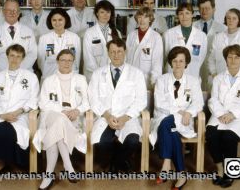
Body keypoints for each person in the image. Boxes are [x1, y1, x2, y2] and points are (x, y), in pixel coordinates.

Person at [0, 44, 39, 172]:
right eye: (12, 55)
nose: (14, 59)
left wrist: (18, 111)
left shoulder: (31, 78)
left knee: (13, 132)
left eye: (18, 56)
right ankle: (0, 162)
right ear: (7, 56)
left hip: (19, 115)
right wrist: (2, 115)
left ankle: (14, 162)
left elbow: (34, 100)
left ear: (23, 59)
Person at [33, 49, 89, 189]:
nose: (66, 63)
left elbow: (87, 102)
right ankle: (68, 166)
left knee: (56, 127)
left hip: (73, 118)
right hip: (52, 115)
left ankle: (49, 175)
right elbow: (43, 103)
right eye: (63, 60)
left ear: (73, 62)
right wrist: (62, 111)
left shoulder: (81, 79)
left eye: (69, 60)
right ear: (57, 61)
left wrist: (77, 110)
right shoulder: (48, 80)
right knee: (58, 120)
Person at [149, 46, 203, 190]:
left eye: (181, 61)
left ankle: (166, 165)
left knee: (169, 126)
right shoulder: (162, 80)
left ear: (186, 63)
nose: (178, 64)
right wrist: (180, 112)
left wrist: (189, 112)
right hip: (164, 116)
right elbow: (160, 103)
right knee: (168, 124)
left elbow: (198, 102)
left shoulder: (193, 81)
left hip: (184, 121)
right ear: (170, 63)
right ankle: (181, 173)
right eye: (175, 61)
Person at [89, 39, 147, 172]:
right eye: (113, 52)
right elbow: (93, 99)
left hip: (127, 117)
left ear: (125, 52)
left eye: (119, 51)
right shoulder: (98, 74)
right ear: (108, 53)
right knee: (103, 142)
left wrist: (125, 117)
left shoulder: (136, 73)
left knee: (133, 141)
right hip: (106, 117)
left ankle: (117, 161)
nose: (116, 55)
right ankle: (118, 160)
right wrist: (108, 116)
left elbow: (141, 100)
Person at [206, 44, 240, 188]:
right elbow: (213, 99)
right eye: (230, 57)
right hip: (219, 115)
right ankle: (220, 167)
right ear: (225, 59)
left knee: (228, 136)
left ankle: (230, 172)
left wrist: (233, 114)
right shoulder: (218, 79)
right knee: (211, 134)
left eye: (237, 57)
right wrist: (222, 114)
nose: (233, 60)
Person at [0, 0, 37, 74]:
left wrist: (19, 68)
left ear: (19, 13)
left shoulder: (28, 31)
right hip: (1, 73)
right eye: (9, 10)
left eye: (14, 10)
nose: (12, 13)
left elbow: (33, 53)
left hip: (24, 72)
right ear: (3, 12)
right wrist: (9, 68)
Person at [163, 2, 207, 78]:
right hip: (172, 75)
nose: (184, 17)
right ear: (177, 16)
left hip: (192, 75)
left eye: (187, 13)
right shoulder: (168, 34)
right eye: (181, 13)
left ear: (192, 14)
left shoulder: (202, 36)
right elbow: (165, 56)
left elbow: (201, 58)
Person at [208, 8, 240, 78]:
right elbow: (211, 59)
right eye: (228, 18)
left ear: (239, 20)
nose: (231, 21)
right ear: (225, 20)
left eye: (234, 18)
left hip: (238, 81)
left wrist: (234, 78)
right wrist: (214, 74)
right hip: (219, 78)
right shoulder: (217, 37)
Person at [37, 8, 81, 81]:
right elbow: (41, 61)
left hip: (70, 76)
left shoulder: (74, 38)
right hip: (49, 75)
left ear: (65, 20)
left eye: (60, 20)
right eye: (54, 20)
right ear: (50, 21)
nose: (57, 23)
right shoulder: (44, 38)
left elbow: (77, 60)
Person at [126, 6, 163, 89]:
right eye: (139, 17)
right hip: (130, 79)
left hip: (146, 81)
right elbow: (126, 58)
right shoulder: (131, 36)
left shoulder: (156, 37)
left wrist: (154, 84)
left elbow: (157, 63)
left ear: (150, 19)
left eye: (145, 17)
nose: (142, 20)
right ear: (136, 19)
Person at [193, 0, 226, 90]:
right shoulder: (192, 26)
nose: (204, 11)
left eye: (207, 8)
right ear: (198, 10)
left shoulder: (222, 28)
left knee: (211, 91)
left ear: (213, 9)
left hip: (214, 65)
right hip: (196, 63)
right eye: (202, 8)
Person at [83, 0, 121, 81]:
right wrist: (100, 74)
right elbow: (88, 58)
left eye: (108, 12)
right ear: (97, 13)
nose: (105, 15)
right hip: (94, 75)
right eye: (102, 12)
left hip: (112, 75)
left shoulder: (117, 33)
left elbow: (121, 55)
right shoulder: (89, 33)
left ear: (111, 14)